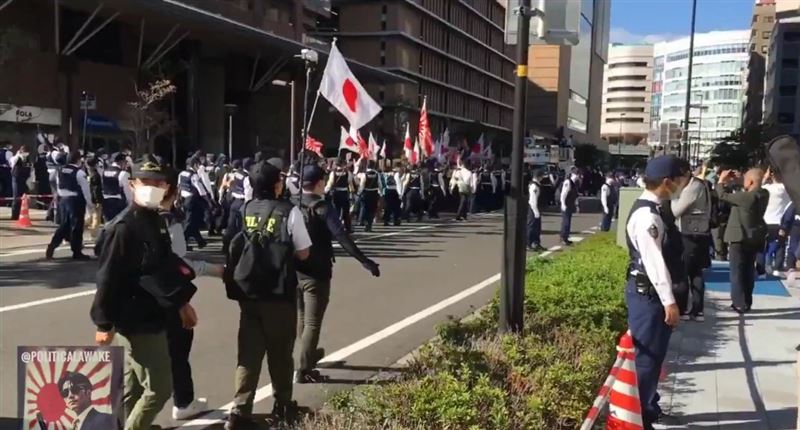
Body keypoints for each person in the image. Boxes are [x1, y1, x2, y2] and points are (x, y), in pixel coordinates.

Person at [91, 155, 199, 430]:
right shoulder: (123, 228)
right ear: (131, 184)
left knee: (134, 385)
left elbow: (164, 266)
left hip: (154, 312)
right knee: (160, 389)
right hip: (137, 319)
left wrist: (181, 301)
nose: (152, 186)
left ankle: (123, 424)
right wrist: (103, 322)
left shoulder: (154, 220)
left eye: (158, 181)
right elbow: (107, 278)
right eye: (145, 181)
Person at [224, 161, 312, 429]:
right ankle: (283, 405)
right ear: (277, 184)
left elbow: (229, 244)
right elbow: (304, 252)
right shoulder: (289, 211)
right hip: (279, 292)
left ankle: (239, 411)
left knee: (248, 353)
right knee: (280, 353)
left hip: (248, 293)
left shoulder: (243, 209)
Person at [293, 165, 380, 383]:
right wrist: (364, 260)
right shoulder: (322, 207)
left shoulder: (291, 204)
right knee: (312, 322)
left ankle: (308, 354)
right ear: (320, 184)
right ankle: (304, 370)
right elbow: (341, 236)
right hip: (317, 272)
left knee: (302, 319)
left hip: (293, 270)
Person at [625, 155, 687, 430]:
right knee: (647, 359)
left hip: (651, 295)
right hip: (648, 295)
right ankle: (641, 417)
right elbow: (654, 262)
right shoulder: (647, 216)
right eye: (680, 180)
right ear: (666, 182)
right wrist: (669, 302)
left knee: (655, 356)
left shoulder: (657, 208)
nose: (682, 185)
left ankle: (649, 406)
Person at [161, 168, 224, 420]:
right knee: (177, 351)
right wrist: (215, 270)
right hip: (168, 298)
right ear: (173, 193)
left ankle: (130, 411)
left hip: (136, 303)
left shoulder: (130, 219)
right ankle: (183, 402)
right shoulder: (170, 222)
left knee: (143, 360)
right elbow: (179, 263)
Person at [717, 168, 769, 313]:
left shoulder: (747, 198)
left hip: (739, 237)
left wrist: (721, 180)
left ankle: (738, 302)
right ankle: (746, 301)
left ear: (750, 182)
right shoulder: (763, 194)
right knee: (748, 271)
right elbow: (751, 187)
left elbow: (722, 195)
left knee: (736, 272)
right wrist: (742, 179)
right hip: (753, 237)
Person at [671, 164, 714, 321]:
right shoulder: (700, 184)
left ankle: (682, 310)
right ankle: (698, 310)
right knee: (696, 272)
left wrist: (673, 197)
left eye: (678, 177)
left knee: (683, 272)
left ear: (686, 174)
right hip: (700, 233)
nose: (676, 181)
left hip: (689, 234)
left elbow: (676, 210)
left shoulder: (692, 188)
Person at [46, 151, 91, 260]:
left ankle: (52, 246)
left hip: (63, 200)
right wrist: (90, 205)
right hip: (75, 201)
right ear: (78, 160)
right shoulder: (79, 173)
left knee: (64, 225)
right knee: (77, 226)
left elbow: (58, 186)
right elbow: (86, 191)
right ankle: (77, 252)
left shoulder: (60, 170)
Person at [759, 167, 792, 276]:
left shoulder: (767, 188)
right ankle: (777, 267)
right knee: (780, 245)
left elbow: (757, 187)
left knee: (764, 246)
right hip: (780, 221)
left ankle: (762, 267)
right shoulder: (786, 189)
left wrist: (765, 176)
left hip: (766, 221)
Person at [179, 157, 212, 249]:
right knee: (189, 222)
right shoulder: (194, 175)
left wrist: (177, 200)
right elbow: (201, 190)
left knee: (193, 221)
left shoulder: (182, 173)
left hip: (184, 200)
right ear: (195, 165)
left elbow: (179, 187)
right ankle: (182, 243)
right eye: (198, 165)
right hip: (193, 200)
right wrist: (208, 201)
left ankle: (200, 241)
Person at [101, 153, 132, 222]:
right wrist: (130, 203)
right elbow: (127, 190)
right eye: (125, 162)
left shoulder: (105, 171)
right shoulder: (123, 173)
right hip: (118, 202)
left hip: (105, 201)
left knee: (108, 224)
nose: (126, 164)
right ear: (121, 162)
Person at [325, 160, 354, 232]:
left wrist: (325, 191)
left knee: (336, 210)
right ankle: (348, 228)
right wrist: (352, 192)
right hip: (345, 193)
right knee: (346, 211)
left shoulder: (333, 173)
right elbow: (350, 183)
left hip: (336, 193)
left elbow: (329, 184)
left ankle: (336, 227)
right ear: (343, 164)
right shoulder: (348, 173)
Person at [9, 145, 32, 221]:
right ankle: (14, 215)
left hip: (24, 179)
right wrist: (18, 155)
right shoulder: (16, 158)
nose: (26, 154)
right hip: (16, 178)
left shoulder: (28, 159)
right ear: (21, 151)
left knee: (23, 196)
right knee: (16, 197)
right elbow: (12, 162)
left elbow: (30, 169)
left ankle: (20, 213)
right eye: (24, 152)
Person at [559, 169, 580, 245]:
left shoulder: (574, 183)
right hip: (566, 204)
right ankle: (563, 237)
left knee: (568, 222)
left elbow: (575, 196)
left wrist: (576, 205)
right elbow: (563, 194)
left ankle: (566, 237)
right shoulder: (568, 182)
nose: (578, 177)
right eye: (577, 175)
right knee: (566, 222)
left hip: (570, 205)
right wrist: (563, 204)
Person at [527, 170, 545, 252]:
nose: (543, 177)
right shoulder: (534, 186)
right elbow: (532, 200)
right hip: (533, 208)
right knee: (532, 227)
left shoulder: (537, 185)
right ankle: (529, 243)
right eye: (542, 176)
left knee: (537, 227)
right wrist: (535, 211)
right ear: (538, 176)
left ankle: (536, 243)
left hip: (536, 208)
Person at [85, 157, 104, 232]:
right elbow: (96, 189)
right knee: (96, 217)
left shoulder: (88, 174)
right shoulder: (96, 175)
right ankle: (94, 234)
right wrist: (98, 200)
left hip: (88, 196)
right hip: (95, 198)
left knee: (90, 216)